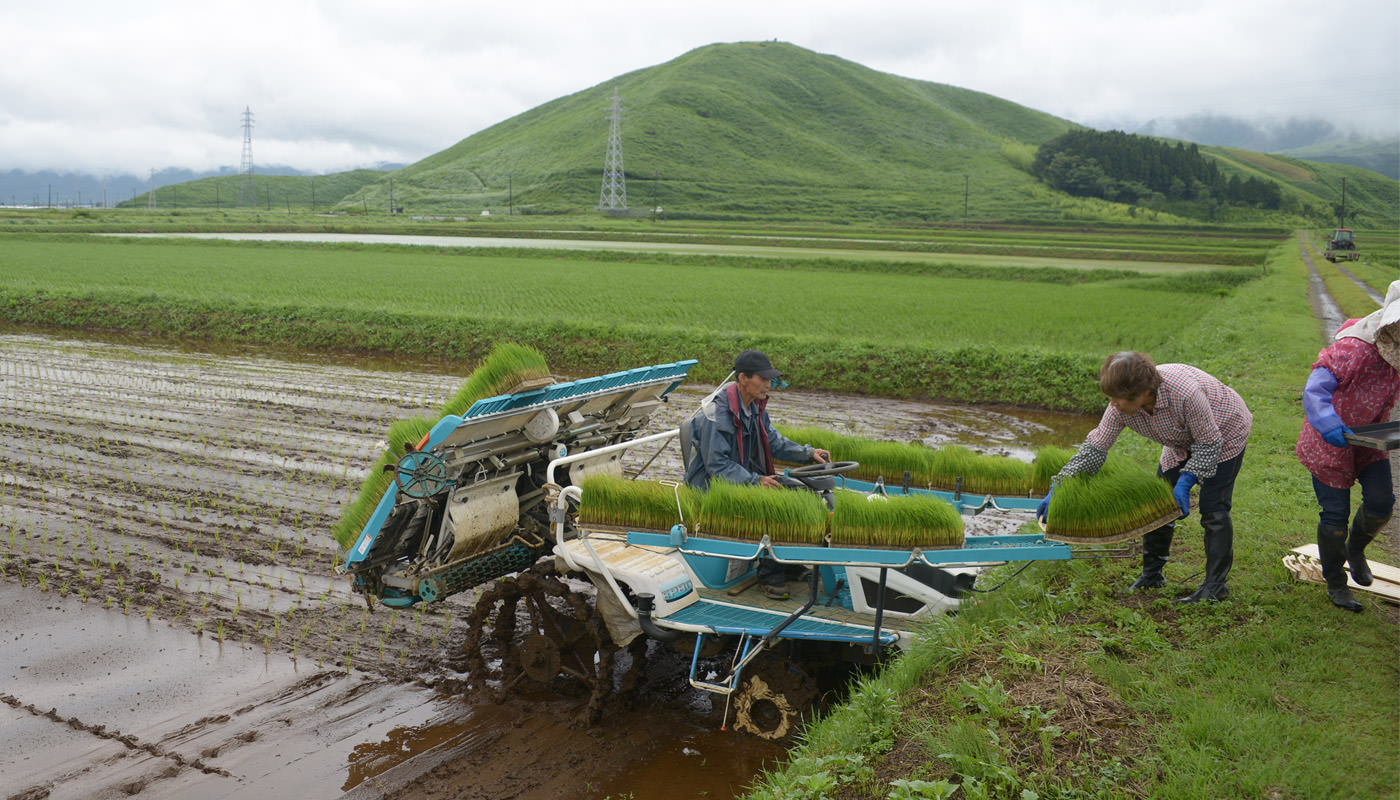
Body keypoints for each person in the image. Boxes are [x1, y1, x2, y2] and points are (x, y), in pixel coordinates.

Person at [1038, 351, 1252, 603]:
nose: (1112, 404)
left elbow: (1208, 442)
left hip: (1224, 430)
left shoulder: (1185, 394)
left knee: (1213, 508)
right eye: (1110, 397)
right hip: (1180, 440)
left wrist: (1186, 482)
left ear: (1145, 393)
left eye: (1117, 398)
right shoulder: (1119, 407)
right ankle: (1152, 576)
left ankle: (1215, 588)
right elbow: (1095, 448)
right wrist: (1061, 486)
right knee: (1158, 502)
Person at [683, 349, 831, 599]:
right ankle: (769, 573)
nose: (768, 384)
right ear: (743, 378)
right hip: (714, 487)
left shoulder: (754, 407)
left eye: (769, 379)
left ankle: (785, 562)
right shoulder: (716, 414)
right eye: (763, 379)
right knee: (780, 503)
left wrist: (807, 453)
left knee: (803, 494)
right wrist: (755, 481)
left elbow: (772, 440)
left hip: (743, 477)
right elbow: (717, 466)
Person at [1296, 281, 1399, 613]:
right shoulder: (1354, 348)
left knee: (1381, 503)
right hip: (1329, 440)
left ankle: (1355, 550)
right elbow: (1316, 387)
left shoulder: (1397, 356)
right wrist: (1326, 421)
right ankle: (1336, 583)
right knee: (1335, 516)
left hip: (1369, 437)